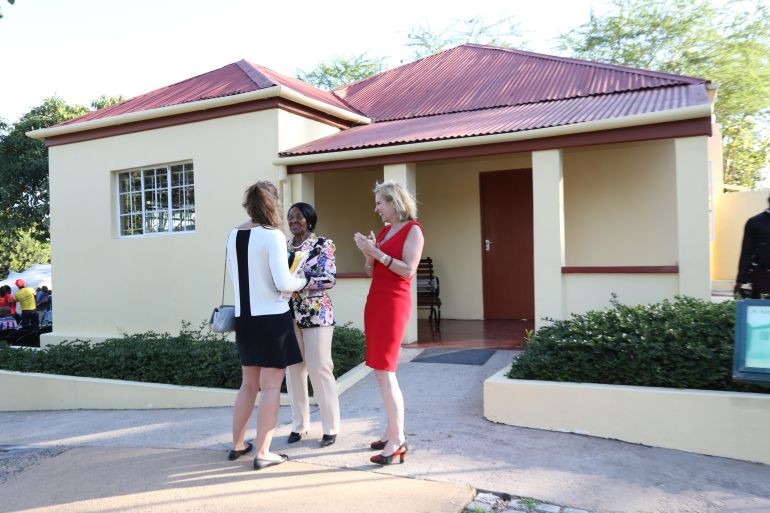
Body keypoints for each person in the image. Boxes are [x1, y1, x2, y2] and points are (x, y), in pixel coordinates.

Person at [226, 181, 309, 471]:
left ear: (249, 204)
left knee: (248, 385)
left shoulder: (233, 234)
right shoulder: (273, 235)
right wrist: (303, 280)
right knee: (271, 387)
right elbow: (283, 282)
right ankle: (263, 452)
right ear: (273, 203)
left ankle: (237, 445)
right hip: (272, 319)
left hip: (244, 319)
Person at [353, 180, 424, 465]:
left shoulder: (413, 230)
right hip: (377, 301)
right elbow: (372, 271)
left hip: (394, 303)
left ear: (394, 202)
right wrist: (369, 254)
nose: (376, 208)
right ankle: (391, 431)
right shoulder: (385, 230)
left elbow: (408, 270)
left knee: (385, 371)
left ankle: (397, 441)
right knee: (379, 370)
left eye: (380, 202)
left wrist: (378, 253)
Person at [284, 202, 340, 448]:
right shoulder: (284, 247)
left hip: (316, 313)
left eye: (298, 217)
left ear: (309, 219)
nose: (293, 221)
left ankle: (330, 428)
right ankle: (299, 425)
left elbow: (328, 279)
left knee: (319, 368)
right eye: (290, 217)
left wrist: (298, 281)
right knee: (293, 370)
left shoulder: (323, 244)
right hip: (288, 315)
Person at [736, 196, 770, 299]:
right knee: (762, 306)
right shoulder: (755, 222)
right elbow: (746, 251)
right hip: (762, 275)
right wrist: (741, 279)